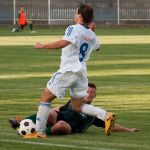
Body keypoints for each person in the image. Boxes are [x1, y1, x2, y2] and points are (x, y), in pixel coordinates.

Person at [31, 3, 116, 138]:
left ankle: (40, 132)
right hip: (81, 73)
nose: (75, 15)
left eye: (76, 13)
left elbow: (64, 42)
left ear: (80, 16)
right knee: (77, 107)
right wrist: (92, 31)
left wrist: (43, 45)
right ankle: (106, 115)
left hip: (68, 70)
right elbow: (97, 47)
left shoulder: (73, 28)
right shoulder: (91, 34)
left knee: (45, 98)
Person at [9, 83, 140, 136]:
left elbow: (111, 126)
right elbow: (57, 108)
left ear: (94, 95)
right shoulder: (73, 102)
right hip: (60, 118)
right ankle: (20, 122)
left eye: (91, 92)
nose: (88, 94)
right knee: (49, 113)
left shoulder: (93, 114)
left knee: (60, 125)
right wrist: (51, 113)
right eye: (86, 91)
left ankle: (36, 133)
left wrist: (128, 130)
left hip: (70, 127)